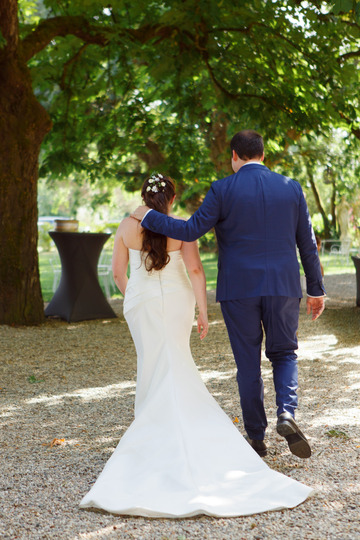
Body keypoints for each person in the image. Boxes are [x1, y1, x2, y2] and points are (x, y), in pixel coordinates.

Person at [80, 174, 313, 518]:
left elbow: (118, 274)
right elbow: (195, 271)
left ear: (144, 196)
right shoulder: (180, 226)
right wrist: (203, 312)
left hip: (141, 302)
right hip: (176, 301)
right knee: (176, 359)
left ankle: (151, 432)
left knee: (152, 362)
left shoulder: (127, 225)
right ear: (171, 199)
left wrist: (135, 295)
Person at [132, 130, 326, 461]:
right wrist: (316, 289)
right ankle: (286, 413)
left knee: (248, 362)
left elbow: (190, 230)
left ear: (234, 155)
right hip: (282, 286)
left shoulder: (223, 189)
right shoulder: (291, 188)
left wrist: (148, 216)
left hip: (238, 289)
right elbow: (307, 244)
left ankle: (256, 437)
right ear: (263, 155)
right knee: (284, 354)